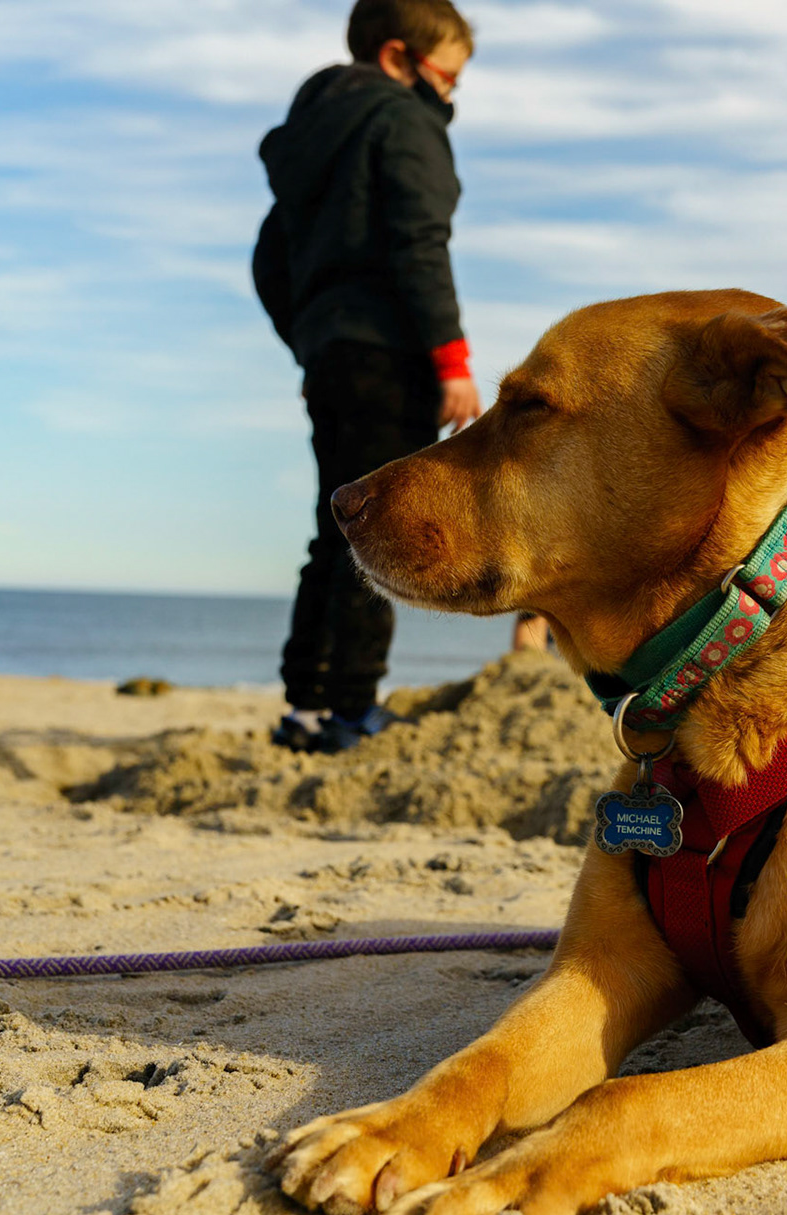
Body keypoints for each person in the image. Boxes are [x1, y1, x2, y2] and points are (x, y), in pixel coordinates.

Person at [253, 0, 478, 752]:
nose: (451, 94)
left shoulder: (312, 141)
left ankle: (305, 705)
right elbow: (420, 242)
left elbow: (269, 260)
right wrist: (451, 359)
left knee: (333, 526)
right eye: (448, 75)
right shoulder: (401, 120)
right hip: (390, 353)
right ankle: (352, 710)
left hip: (332, 353)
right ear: (397, 57)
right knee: (378, 524)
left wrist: (313, 338)